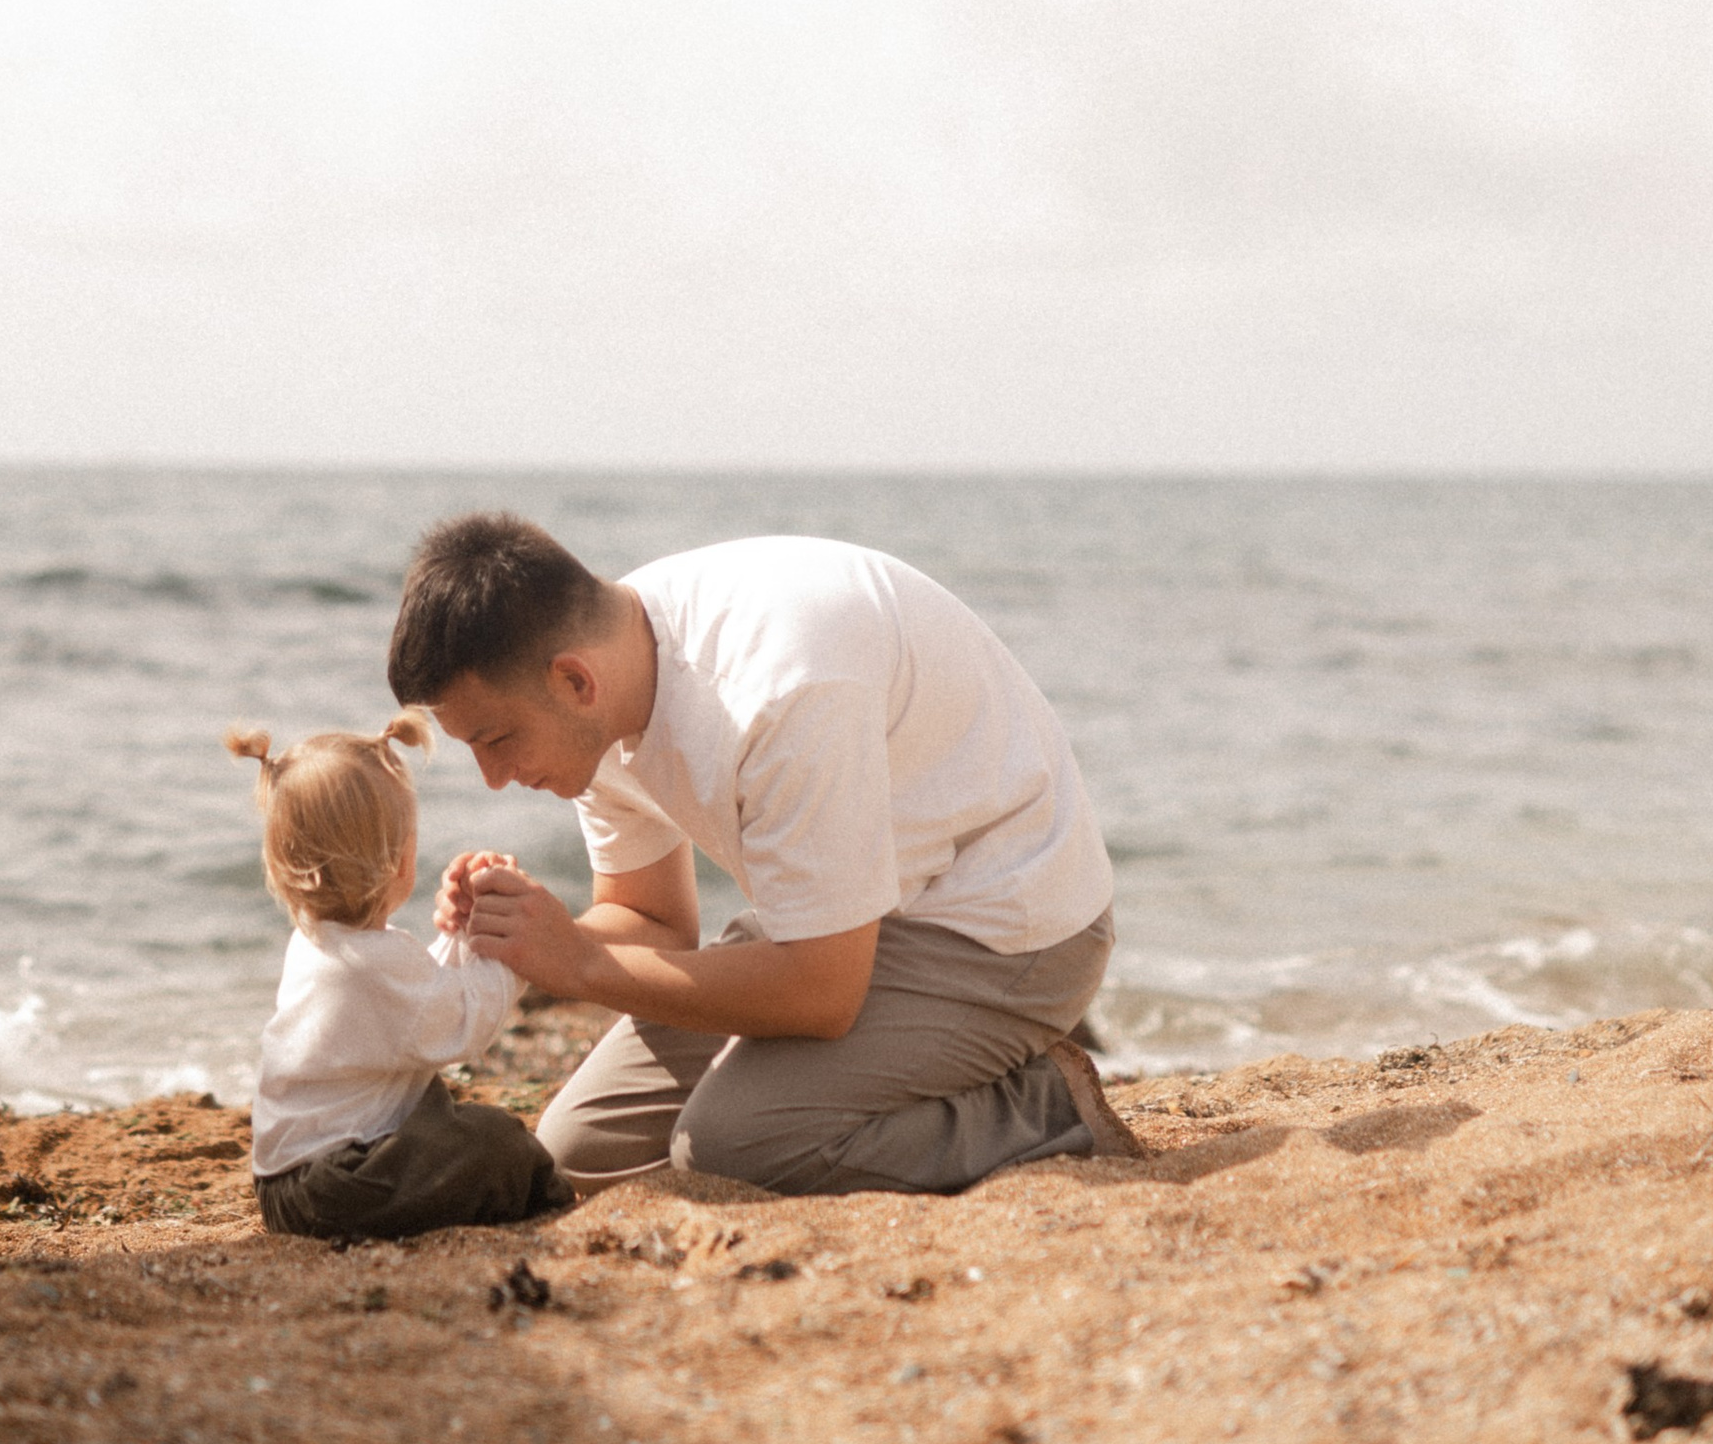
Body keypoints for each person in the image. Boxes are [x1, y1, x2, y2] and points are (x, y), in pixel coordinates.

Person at [387, 516, 1136, 1198]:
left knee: (735, 1146)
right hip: (847, 928)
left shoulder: (778, 689)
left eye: (496, 739)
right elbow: (650, 920)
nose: (492, 777)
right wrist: (526, 935)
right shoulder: (603, 683)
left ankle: (1045, 1108)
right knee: (578, 1150)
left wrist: (580, 965)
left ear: (574, 681)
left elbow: (820, 993)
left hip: (1008, 926)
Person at [231, 707, 572, 1241]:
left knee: (444, 1120)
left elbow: (418, 999)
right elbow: (462, 1020)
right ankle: (542, 1200)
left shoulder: (323, 945)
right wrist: (508, 951)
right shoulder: (365, 965)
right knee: (494, 1141)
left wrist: (464, 932)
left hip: (294, 1183)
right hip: (332, 1187)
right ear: (398, 862)